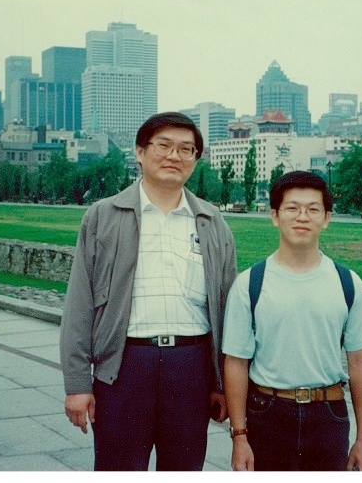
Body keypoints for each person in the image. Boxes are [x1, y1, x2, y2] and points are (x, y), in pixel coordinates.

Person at [60, 112, 238, 471]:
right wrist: (77, 384)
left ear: (196, 160)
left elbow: (227, 308)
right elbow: (79, 304)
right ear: (140, 152)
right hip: (124, 368)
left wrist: (222, 384)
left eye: (186, 149)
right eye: (164, 146)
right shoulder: (103, 216)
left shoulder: (211, 222)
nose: (174, 156)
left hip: (191, 368)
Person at [222, 171, 362, 471]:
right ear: (275, 216)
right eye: (292, 208)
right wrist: (239, 436)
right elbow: (236, 362)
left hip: (328, 415)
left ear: (326, 218)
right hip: (267, 414)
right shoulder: (250, 284)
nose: (302, 217)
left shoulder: (348, 283)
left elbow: (361, 362)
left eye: (313, 209)